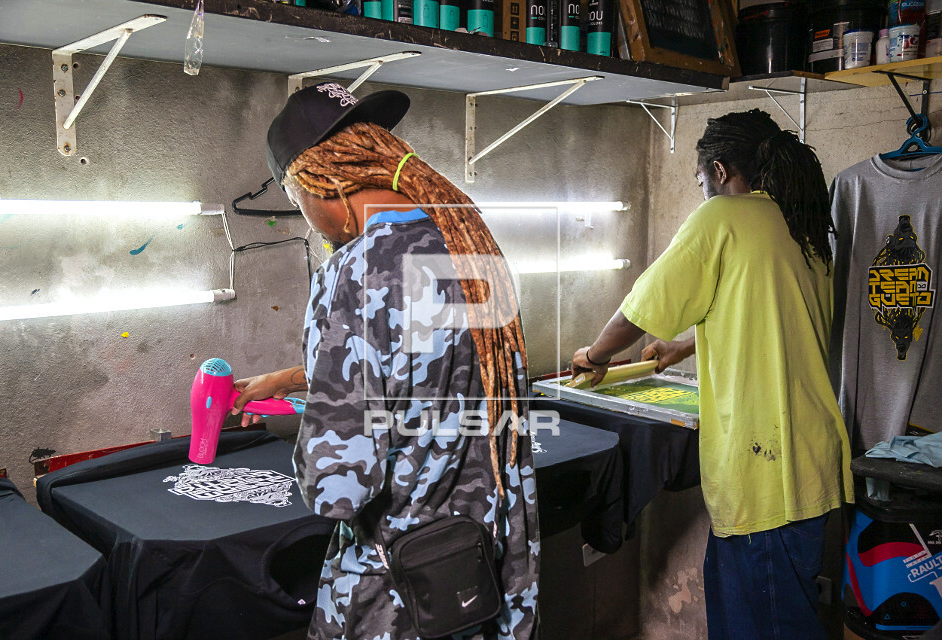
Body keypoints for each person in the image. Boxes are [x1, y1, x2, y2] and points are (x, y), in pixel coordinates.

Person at [230, 82, 539, 640]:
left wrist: (303, 424)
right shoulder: (470, 246)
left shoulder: (353, 270)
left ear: (319, 184)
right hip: (486, 570)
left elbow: (337, 488)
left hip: (402, 593)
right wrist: (300, 377)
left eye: (299, 206)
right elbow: (427, 363)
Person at [571, 109, 853, 640]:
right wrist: (684, 344)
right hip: (808, 461)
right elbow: (767, 315)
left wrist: (597, 355)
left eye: (702, 180)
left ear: (720, 170)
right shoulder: (801, 226)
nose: (704, 191)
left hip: (768, 475)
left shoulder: (722, 216)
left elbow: (639, 308)